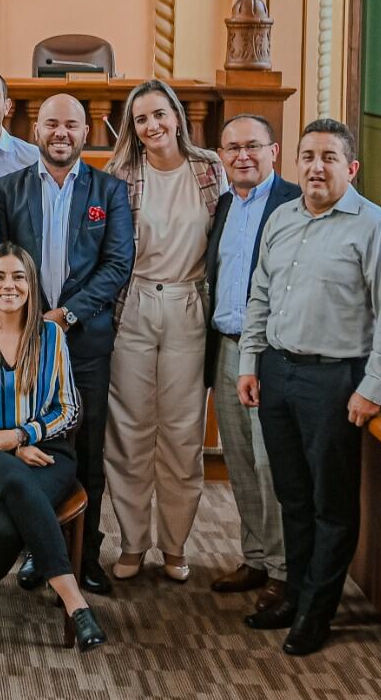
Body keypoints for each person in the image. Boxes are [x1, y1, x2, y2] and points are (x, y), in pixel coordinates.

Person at [237, 118, 381, 656]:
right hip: (278, 373)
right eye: (308, 156)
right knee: (292, 494)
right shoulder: (282, 219)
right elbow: (260, 296)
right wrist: (249, 360)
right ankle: (294, 592)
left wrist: (374, 385)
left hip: (336, 381)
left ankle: (318, 612)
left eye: (329, 157)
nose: (316, 166)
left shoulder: (374, 228)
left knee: (330, 502)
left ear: (350, 168)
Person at [0, 93, 132, 595]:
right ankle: (39, 552)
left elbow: (118, 264)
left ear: (86, 129)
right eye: (51, 123)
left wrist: (66, 316)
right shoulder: (7, 190)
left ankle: (85, 554)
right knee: (37, 444)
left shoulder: (108, 191)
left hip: (85, 341)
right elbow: (0, 262)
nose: (61, 133)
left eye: (71, 124)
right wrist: (30, 319)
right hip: (24, 343)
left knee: (88, 450)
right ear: (35, 129)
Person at [0, 244, 107, 652]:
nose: (9, 285)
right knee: (18, 482)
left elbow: (70, 409)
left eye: (18, 277)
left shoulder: (51, 336)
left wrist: (24, 435)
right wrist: (7, 444)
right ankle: (76, 602)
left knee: (5, 519)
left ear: (31, 285)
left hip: (48, 454)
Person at [103, 79, 224, 584]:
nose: (152, 126)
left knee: (181, 430)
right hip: (134, 304)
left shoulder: (209, 169)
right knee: (129, 429)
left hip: (189, 302)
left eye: (159, 115)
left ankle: (175, 545)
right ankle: (133, 542)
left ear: (177, 115)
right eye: (141, 119)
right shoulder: (120, 175)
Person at [203, 113, 300, 611]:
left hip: (267, 352)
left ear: (274, 151)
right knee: (239, 458)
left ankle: (284, 571)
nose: (242, 155)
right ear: (221, 156)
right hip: (225, 346)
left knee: (269, 462)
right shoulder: (223, 204)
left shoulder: (294, 205)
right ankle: (256, 556)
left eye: (253, 146)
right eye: (232, 147)